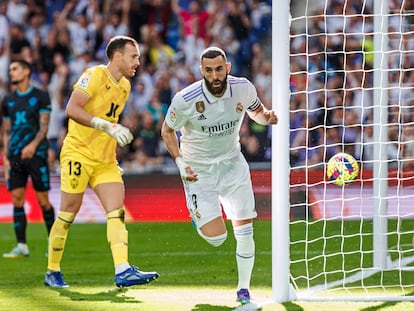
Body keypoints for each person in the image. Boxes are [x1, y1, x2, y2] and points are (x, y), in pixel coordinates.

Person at [161, 47, 278, 304]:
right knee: (217, 238)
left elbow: (255, 111)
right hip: (198, 170)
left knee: (244, 228)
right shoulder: (186, 98)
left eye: (219, 69)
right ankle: (198, 212)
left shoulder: (243, 88)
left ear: (228, 67)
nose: (215, 75)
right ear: (202, 71)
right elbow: (167, 131)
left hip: (232, 164)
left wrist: (266, 117)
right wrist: (180, 162)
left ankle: (244, 289)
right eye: (208, 70)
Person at [44, 36, 159, 288]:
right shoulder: (94, 75)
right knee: (67, 213)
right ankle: (52, 270)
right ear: (118, 56)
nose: (138, 62)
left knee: (116, 212)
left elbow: (109, 122)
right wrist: (106, 125)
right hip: (78, 153)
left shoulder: (125, 87)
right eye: (134, 56)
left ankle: (123, 270)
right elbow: (72, 109)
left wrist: (113, 148)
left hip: (105, 160)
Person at [1, 59, 55, 258]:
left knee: (43, 200)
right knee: (17, 198)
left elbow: (44, 127)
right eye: (10, 70)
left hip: (37, 154)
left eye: (15, 69)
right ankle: (21, 245)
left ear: (26, 72)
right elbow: (6, 131)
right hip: (15, 155)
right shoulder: (8, 100)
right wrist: (6, 156)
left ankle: (53, 242)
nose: (11, 73)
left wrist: (32, 146)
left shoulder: (40, 96)